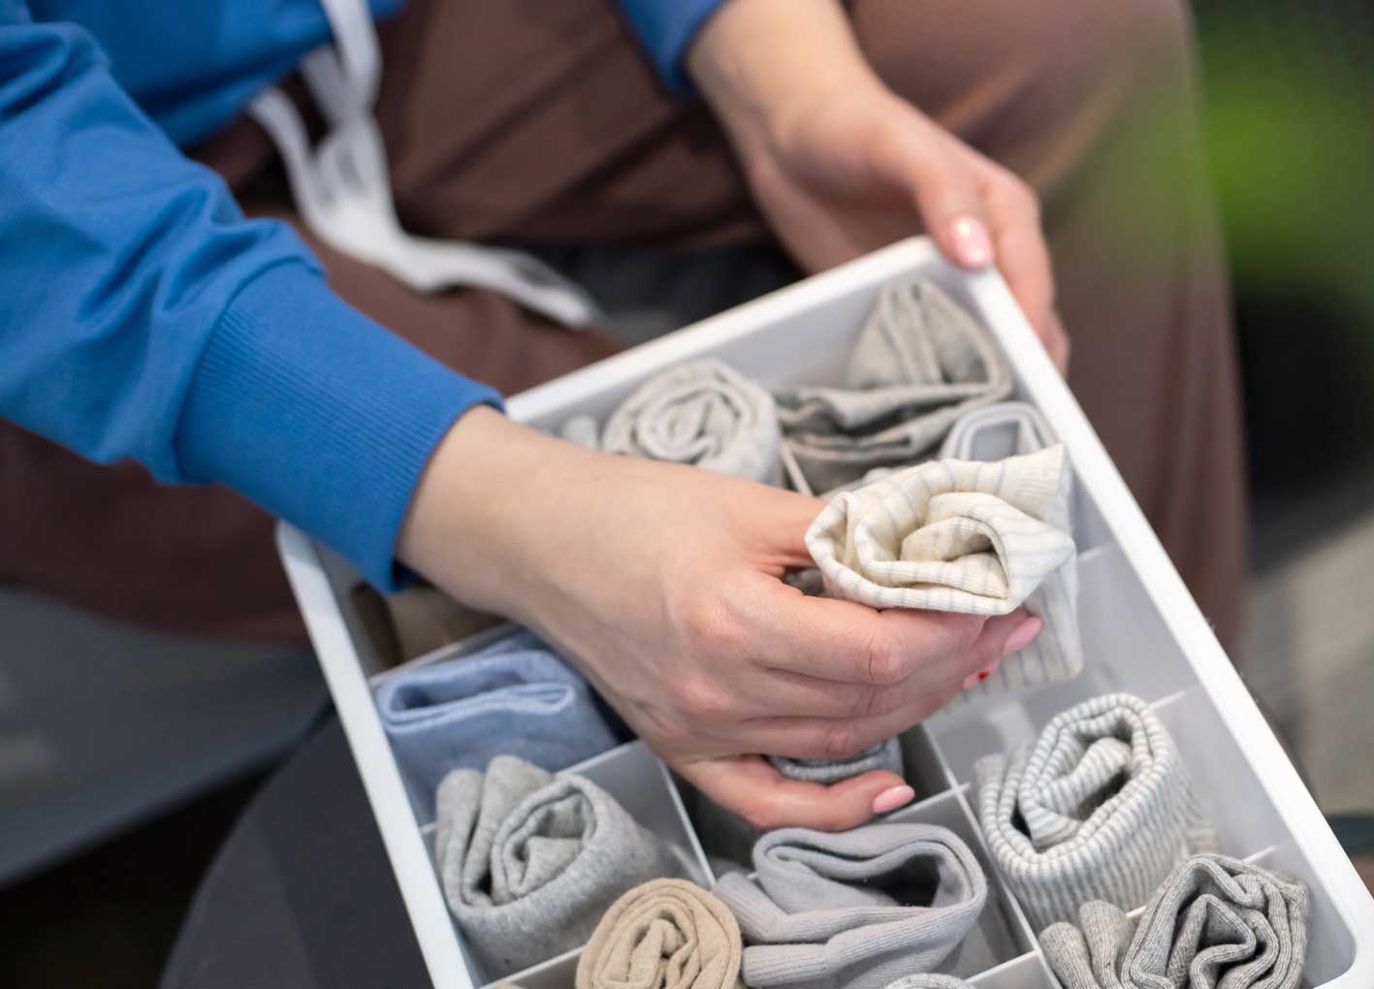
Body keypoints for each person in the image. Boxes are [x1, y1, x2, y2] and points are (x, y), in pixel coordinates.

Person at [0, 0, 1245, 830]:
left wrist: (779, 87)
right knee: (617, 509)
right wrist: (524, 514)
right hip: (54, 207)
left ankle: (1182, 806)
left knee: (1057, 31)